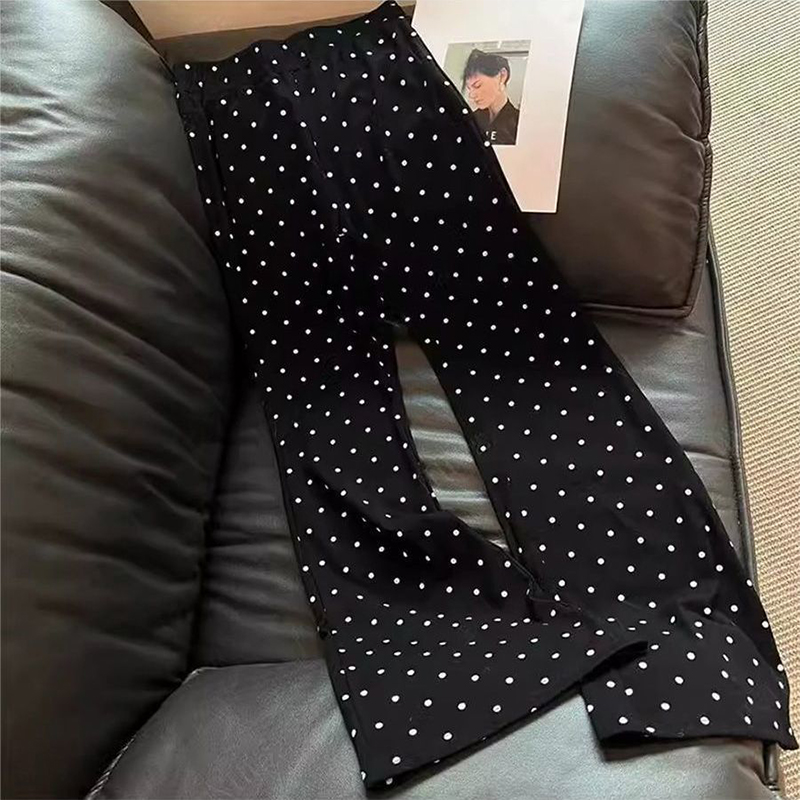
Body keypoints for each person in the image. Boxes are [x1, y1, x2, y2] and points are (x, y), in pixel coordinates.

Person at [462, 48, 520, 145]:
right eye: (469, 88)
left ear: (502, 76)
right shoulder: (471, 120)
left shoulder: (518, 122)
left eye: (477, 85)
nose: (471, 95)